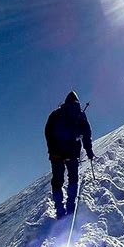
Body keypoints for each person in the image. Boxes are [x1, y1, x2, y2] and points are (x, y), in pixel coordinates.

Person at [45, 91, 94, 219]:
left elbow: (48, 132)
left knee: (57, 181)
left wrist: (51, 149)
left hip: (56, 153)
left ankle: (59, 209)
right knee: (73, 178)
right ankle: (71, 206)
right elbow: (87, 134)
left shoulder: (55, 114)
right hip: (71, 152)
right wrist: (89, 151)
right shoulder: (80, 114)